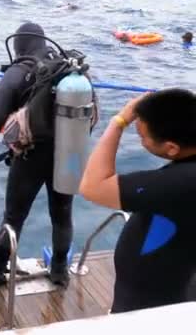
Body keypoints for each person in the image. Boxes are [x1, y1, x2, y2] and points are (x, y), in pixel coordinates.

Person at [0, 22, 79, 287]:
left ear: (19, 46)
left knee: (14, 217)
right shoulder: (66, 66)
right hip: (69, 153)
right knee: (62, 214)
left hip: (31, 156)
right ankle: (60, 273)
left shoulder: (18, 73)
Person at [80, 89, 196, 313]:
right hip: (167, 282)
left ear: (172, 148)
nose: (141, 140)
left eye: (143, 137)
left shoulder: (184, 182)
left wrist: (119, 122)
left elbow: (92, 187)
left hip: (152, 303)